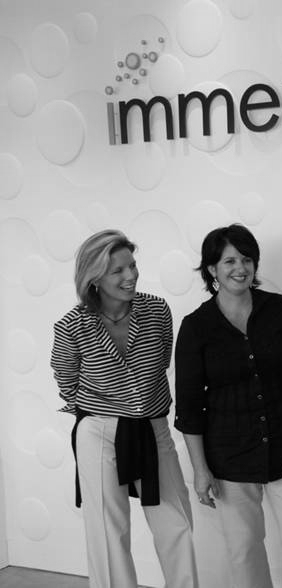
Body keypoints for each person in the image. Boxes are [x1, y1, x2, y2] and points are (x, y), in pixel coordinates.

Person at [174, 224, 282, 588]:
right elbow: (189, 408)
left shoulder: (279, 309)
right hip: (229, 457)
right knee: (244, 551)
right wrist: (200, 469)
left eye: (246, 259)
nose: (240, 268)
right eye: (229, 261)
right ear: (212, 269)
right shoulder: (196, 327)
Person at [50, 230, 198, 588]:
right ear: (94, 277)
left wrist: (135, 403)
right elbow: (66, 379)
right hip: (99, 432)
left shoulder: (157, 310)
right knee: (106, 531)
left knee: (175, 523)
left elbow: (161, 362)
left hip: (152, 428)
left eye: (132, 265)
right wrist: (104, 408)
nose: (130, 275)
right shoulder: (71, 326)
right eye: (117, 270)